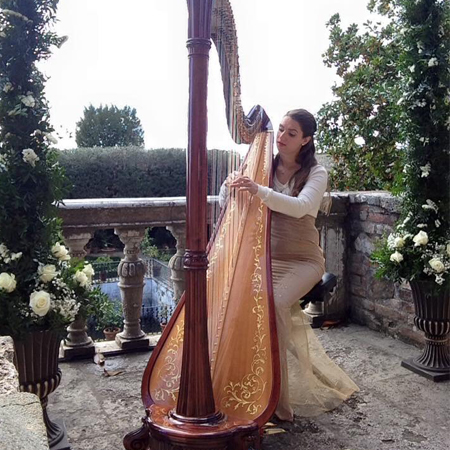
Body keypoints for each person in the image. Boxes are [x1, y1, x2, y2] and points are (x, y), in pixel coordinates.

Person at [222, 108, 359, 421]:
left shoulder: (316, 173)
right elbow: (230, 203)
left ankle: (274, 398)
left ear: (306, 139)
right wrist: (232, 186)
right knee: (238, 303)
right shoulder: (261, 167)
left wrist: (258, 190)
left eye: (291, 133)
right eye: (281, 130)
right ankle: (245, 385)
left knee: (273, 303)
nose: (281, 137)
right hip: (267, 258)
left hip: (303, 260)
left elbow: (302, 208)